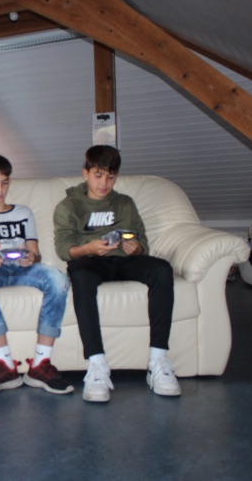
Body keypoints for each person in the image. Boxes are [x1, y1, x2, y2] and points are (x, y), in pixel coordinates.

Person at [53, 145, 181, 403]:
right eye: (98, 175)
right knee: (80, 276)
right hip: (90, 262)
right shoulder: (69, 205)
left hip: (124, 261)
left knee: (162, 269)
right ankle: (97, 365)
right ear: (86, 173)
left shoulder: (125, 203)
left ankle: (158, 361)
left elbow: (142, 240)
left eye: (110, 177)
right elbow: (64, 249)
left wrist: (137, 248)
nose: (104, 183)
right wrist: (89, 248)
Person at [0, 154, 72, 396]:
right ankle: (5, 365)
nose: (0, 190)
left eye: (4, 183)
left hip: (22, 268)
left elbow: (36, 254)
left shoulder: (23, 213)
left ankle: (40, 364)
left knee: (58, 278)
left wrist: (30, 257)